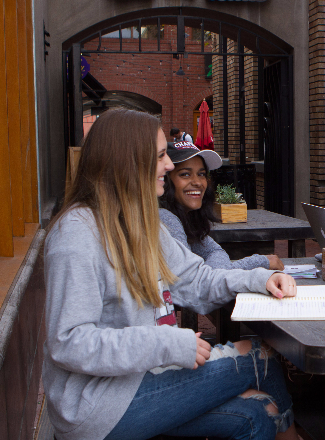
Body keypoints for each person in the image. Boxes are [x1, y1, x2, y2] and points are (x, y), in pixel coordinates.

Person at [44, 108, 299, 440]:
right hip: (97, 407)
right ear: (129, 160)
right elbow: (69, 343)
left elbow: (196, 280)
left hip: (140, 380)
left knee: (256, 415)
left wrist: (258, 278)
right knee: (261, 356)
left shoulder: (141, 222)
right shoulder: (76, 233)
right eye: (162, 155)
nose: (168, 165)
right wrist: (164, 343)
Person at [159, 140, 284, 271]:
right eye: (185, 174)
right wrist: (259, 261)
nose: (197, 182)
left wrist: (215, 273)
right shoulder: (165, 218)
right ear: (165, 180)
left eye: (201, 174)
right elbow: (193, 281)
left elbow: (215, 252)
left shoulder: (188, 217)